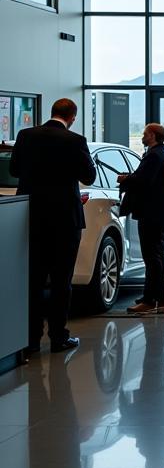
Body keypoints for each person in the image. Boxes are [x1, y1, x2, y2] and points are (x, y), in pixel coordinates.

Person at [9, 97, 96, 354]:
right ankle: (58, 337)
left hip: (31, 216)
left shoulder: (25, 136)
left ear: (52, 112)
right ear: (72, 117)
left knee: (33, 280)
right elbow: (89, 177)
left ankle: (31, 340)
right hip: (64, 220)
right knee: (61, 281)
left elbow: (14, 170)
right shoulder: (75, 141)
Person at [117, 123, 164, 316]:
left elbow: (144, 181)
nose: (142, 136)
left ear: (152, 135)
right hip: (159, 213)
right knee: (155, 257)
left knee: (152, 259)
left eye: (145, 133)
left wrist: (125, 180)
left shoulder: (154, 156)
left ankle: (154, 301)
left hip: (152, 214)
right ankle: (153, 297)